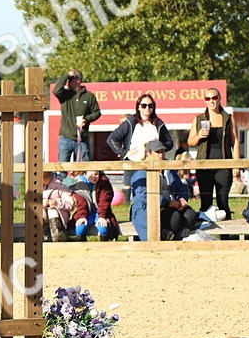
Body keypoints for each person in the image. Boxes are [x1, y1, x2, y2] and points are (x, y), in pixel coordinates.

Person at [107, 93, 175, 241]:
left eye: (150, 105)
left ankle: (157, 229)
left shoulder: (158, 123)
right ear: (138, 107)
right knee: (140, 199)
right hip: (135, 165)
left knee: (154, 196)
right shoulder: (131, 122)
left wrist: (158, 146)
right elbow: (112, 139)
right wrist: (125, 152)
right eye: (143, 105)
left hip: (154, 165)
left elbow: (170, 142)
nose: (147, 108)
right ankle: (144, 233)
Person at [187, 87, 238, 221]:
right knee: (205, 203)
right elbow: (190, 142)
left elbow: (235, 142)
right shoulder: (198, 119)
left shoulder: (228, 119)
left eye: (214, 98)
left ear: (220, 98)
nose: (211, 101)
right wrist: (198, 136)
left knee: (223, 202)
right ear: (205, 100)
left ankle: (226, 238)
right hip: (204, 165)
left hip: (223, 164)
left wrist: (237, 165)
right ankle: (205, 235)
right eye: (208, 98)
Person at [146, 141, 199, 240]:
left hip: (173, 203)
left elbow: (180, 187)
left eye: (163, 151)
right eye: (157, 152)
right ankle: (165, 238)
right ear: (149, 153)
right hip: (156, 206)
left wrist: (182, 199)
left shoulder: (170, 168)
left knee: (191, 214)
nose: (161, 154)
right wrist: (168, 202)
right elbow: (145, 196)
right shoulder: (142, 171)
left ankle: (180, 239)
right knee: (174, 217)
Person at [52, 69, 101, 163]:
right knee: (62, 167)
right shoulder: (65, 94)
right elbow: (56, 91)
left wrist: (87, 119)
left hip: (82, 138)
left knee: (83, 167)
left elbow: (97, 112)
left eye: (70, 79)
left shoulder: (89, 96)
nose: (68, 82)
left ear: (78, 80)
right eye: (67, 80)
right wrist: (67, 75)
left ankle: (81, 178)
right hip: (66, 137)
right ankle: (63, 178)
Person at [71, 170, 120, 241]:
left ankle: (105, 246)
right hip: (86, 212)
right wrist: (82, 216)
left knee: (103, 228)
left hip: (101, 212)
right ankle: (82, 249)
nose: (94, 177)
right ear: (85, 173)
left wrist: (102, 216)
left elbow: (105, 200)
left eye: (96, 174)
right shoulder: (79, 183)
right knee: (79, 229)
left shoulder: (104, 182)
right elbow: (81, 202)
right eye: (92, 174)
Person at [42, 172, 75, 242]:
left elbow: (71, 204)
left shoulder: (61, 186)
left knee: (52, 211)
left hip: (59, 215)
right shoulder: (36, 186)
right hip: (44, 213)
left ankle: (57, 235)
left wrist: (57, 202)